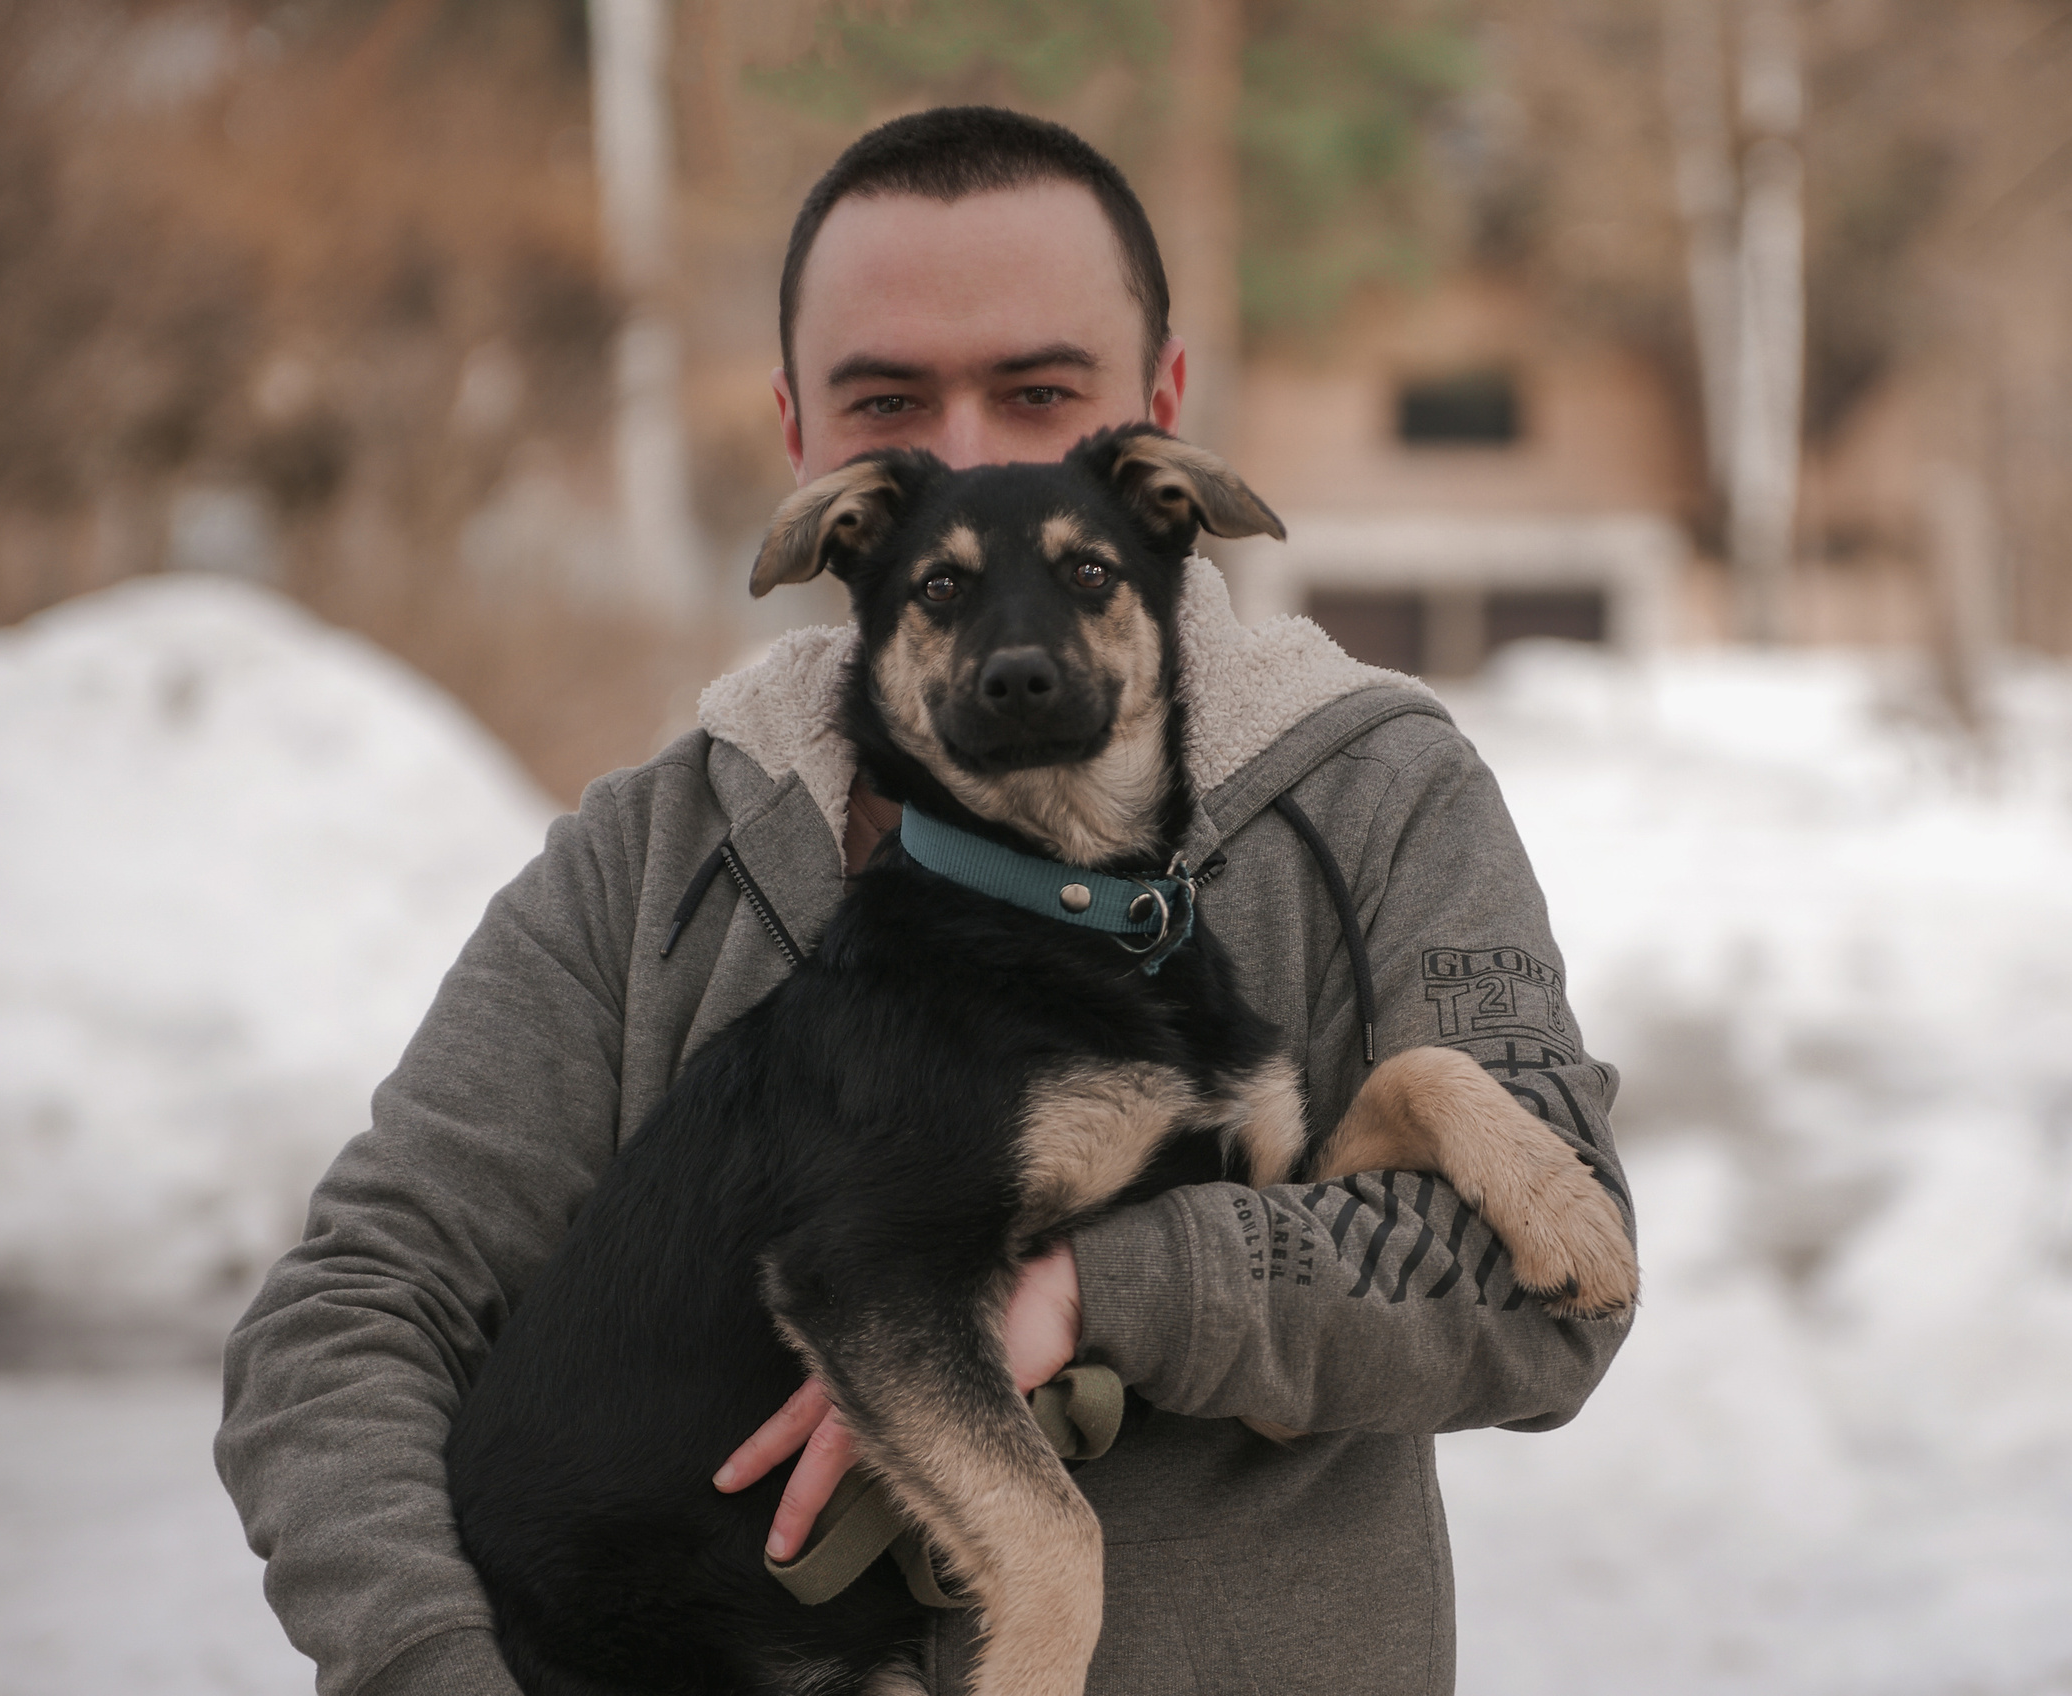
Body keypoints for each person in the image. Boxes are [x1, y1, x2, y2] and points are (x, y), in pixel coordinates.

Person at [217, 105, 1633, 1696]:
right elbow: (345, 1319)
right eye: (890, 400)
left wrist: (1108, 1288)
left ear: (1158, 418)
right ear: (806, 441)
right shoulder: (652, 858)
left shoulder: (1380, 792)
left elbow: (1541, 1305)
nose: (971, 464)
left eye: (1038, 390)